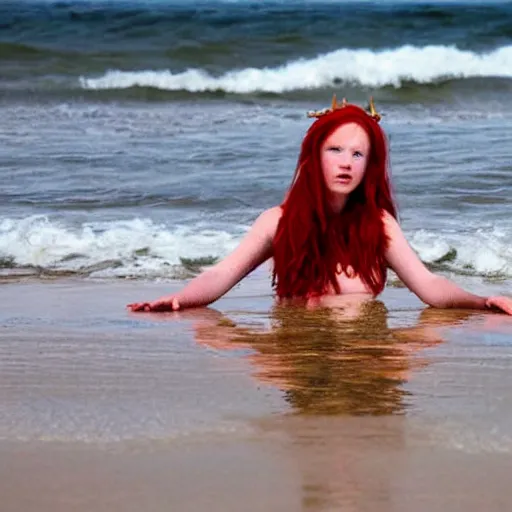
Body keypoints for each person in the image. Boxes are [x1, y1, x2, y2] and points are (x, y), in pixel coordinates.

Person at [128, 96, 512, 315]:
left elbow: (429, 286)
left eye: (358, 153)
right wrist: (180, 299)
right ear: (314, 156)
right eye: (335, 150)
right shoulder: (276, 223)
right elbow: (220, 276)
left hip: (365, 355)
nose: (347, 162)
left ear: (370, 166)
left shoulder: (379, 225)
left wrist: (483, 302)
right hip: (297, 353)